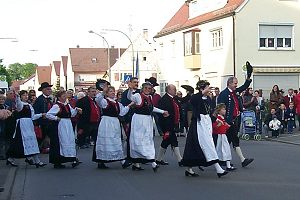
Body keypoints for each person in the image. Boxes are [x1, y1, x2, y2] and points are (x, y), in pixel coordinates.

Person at [181, 80, 228, 178]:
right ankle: (218, 169)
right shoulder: (195, 97)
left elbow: (210, 112)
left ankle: (189, 169)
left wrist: (215, 120)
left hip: (206, 124)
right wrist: (202, 91)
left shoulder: (208, 99)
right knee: (206, 145)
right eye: (207, 87)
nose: (209, 89)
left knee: (200, 146)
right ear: (202, 88)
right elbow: (193, 102)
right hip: (198, 125)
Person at [218, 61, 254, 167]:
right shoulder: (224, 94)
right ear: (229, 83)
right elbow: (220, 108)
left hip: (235, 120)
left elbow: (244, 87)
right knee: (234, 140)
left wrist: (248, 76)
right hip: (228, 121)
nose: (236, 85)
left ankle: (222, 159)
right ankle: (242, 160)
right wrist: (223, 121)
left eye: (236, 83)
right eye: (235, 83)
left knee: (228, 141)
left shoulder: (235, 92)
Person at [128, 81, 169, 172]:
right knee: (138, 140)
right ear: (142, 89)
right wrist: (131, 89)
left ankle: (137, 163)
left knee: (147, 140)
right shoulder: (138, 96)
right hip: (139, 120)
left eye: (149, 88)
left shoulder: (150, 97)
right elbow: (131, 97)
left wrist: (163, 111)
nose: (147, 90)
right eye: (145, 88)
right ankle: (152, 162)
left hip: (147, 120)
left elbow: (152, 108)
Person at [93, 85, 134, 169]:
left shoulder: (117, 103)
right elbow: (98, 100)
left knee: (115, 140)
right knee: (106, 140)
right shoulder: (105, 101)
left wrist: (129, 105)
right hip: (106, 122)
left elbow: (122, 112)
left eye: (113, 91)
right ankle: (104, 160)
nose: (112, 92)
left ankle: (118, 160)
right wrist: (103, 92)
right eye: (110, 91)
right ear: (107, 93)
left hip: (115, 122)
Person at [6, 90, 46, 168]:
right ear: (21, 96)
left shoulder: (29, 105)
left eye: (26, 95)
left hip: (29, 125)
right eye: (24, 95)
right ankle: (12, 158)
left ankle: (35, 160)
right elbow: (19, 106)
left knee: (31, 142)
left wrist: (41, 114)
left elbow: (33, 116)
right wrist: (17, 96)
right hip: (21, 125)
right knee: (20, 143)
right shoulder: (19, 104)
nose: (26, 96)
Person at [46, 91, 82, 168]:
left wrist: (76, 110)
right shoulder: (57, 106)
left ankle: (72, 158)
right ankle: (59, 160)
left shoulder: (67, 105)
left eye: (65, 96)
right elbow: (48, 114)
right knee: (63, 141)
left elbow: (72, 114)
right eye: (63, 96)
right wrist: (56, 118)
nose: (65, 97)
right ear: (59, 97)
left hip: (68, 124)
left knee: (70, 140)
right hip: (61, 124)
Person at [156, 84, 183, 166]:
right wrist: (166, 127)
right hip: (167, 124)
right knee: (174, 140)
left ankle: (158, 159)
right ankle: (180, 160)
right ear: (169, 90)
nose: (175, 90)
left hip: (172, 123)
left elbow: (182, 102)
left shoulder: (173, 98)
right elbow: (162, 113)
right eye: (174, 89)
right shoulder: (164, 99)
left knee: (166, 141)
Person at [120, 77, 140, 165]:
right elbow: (125, 105)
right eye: (134, 82)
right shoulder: (125, 93)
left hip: (139, 119)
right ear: (130, 83)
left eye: (137, 82)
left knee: (138, 138)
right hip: (128, 118)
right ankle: (127, 156)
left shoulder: (140, 92)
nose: (136, 84)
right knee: (129, 138)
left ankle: (138, 156)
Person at [212, 103, 236, 171]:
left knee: (226, 149)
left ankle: (227, 165)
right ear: (219, 110)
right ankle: (221, 164)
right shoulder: (217, 118)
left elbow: (225, 126)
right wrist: (219, 125)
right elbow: (214, 127)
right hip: (219, 136)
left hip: (223, 135)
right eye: (223, 109)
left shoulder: (222, 118)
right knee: (219, 150)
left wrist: (228, 126)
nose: (225, 110)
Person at [33, 82, 54, 153]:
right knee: (41, 136)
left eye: (50, 89)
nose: (50, 90)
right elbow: (35, 111)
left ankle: (46, 147)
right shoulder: (39, 99)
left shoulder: (50, 99)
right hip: (42, 122)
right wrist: (41, 116)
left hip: (50, 121)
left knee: (50, 135)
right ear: (43, 90)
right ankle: (37, 149)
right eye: (48, 89)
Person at [0, 94, 12, 160]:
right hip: (1, 125)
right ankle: (2, 155)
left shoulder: (7, 106)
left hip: (7, 125)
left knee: (7, 140)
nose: (1, 100)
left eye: (3, 99)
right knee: (1, 141)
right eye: (0, 99)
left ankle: (7, 154)